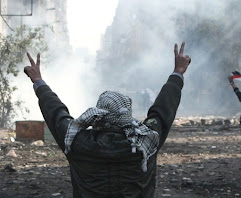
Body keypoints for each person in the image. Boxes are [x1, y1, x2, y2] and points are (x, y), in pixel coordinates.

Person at [24, 42, 191, 197]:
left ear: (98, 115)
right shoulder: (145, 140)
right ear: (127, 115)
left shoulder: (77, 141)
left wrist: (38, 81)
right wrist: (177, 73)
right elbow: (162, 111)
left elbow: (56, 113)